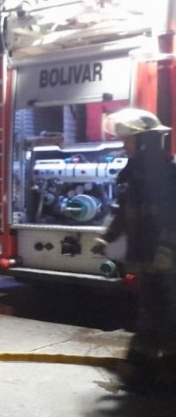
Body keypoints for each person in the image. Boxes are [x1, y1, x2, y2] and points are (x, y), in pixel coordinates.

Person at [90, 107, 176, 393]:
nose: (124, 146)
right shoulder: (134, 174)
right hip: (147, 259)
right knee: (154, 311)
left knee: (161, 313)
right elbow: (124, 213)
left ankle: (145, 367)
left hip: (167, 260)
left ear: (145, 142)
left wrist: (167, 249)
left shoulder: (168, 174)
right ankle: (151, 368)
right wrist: (107, 236)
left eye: (128, 140)